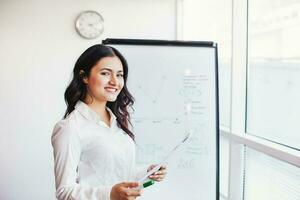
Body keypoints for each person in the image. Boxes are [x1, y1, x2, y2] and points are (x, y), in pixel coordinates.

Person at [51, 44, 167, 200]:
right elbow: (64, 192)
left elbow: (116, 174)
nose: (115, 81)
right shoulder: (70, 127)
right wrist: (110, 194)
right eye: (105, 73)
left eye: (120, 75)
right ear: (84, 76)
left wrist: (147, 173)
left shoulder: (116, 122)